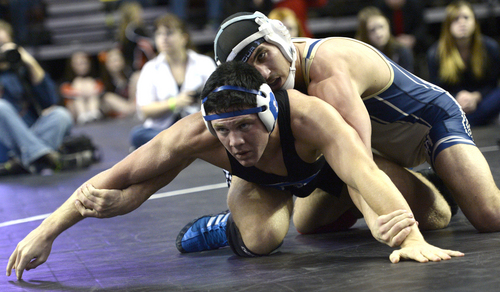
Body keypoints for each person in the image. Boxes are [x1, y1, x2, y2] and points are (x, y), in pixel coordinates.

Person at [6, 61, 464, 280]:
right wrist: (45, 233)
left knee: (438, 217)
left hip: (329, 171)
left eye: (245, 126)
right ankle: (226, 227)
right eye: (223, 131)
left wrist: (410, 239)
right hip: (261, 185)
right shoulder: (193, 135)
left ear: (268, 112)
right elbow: (108, 181)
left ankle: (405, 196)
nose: (235, 141)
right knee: (263, 241)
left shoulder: (310, 118)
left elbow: (363, 171)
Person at [175, 11, 500, 254]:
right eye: (250, 69)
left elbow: (361, 167)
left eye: (263, 55)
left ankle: (436, 182)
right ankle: (229, 225)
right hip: (366, 152)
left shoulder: (326, 73)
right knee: (307, 225)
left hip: (427, 126)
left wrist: (393, 233)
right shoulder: (269, 94)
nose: (262, 73)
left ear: (281, 40)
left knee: (488, 215)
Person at [129, 13, 216, 149]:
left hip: (196, 125)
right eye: (159, 34)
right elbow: (145, 110)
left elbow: (218, 99)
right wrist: (174, 103)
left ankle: (178, 147)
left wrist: (200, 100)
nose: (164, 38)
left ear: (184, 37)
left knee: (217, 127)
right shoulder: (151, 68)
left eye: (169, 33)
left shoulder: (204, 63)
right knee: (137, 135)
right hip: (164, 130)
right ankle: (189, 146)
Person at [0, 19, 73, 175]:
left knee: (61, 115)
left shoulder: (20, 70)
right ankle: (41, 157)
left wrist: (28, 61)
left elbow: (50, 99)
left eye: (4, 46)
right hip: (5, 143)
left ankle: (26, 161)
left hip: (33, 133)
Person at [427, 1, 500, 127]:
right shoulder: (435, 53)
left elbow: (492, 84)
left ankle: (463, 123)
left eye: (466, 17)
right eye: (456, 19)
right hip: (453, 104)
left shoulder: (490, 47)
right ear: (448, 25)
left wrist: (475, 96)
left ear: (475, 22)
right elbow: (437, 91)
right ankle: (471, 120)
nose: (462, 22)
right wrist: (457, 98)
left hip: (482, 101)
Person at [355, 6, 414, 73]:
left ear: (388, 25)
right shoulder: (359, 56)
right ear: (364, 33)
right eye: (372, 30)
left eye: (381, 27)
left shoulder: (402, 51)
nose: (378, 34)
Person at [59, 51, 104, 124]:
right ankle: (82, 115)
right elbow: (64, 91)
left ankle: (94, 113)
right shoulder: (68, 80)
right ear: (72, 65)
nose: (81, 67)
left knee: (88, 82)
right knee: (78, 82)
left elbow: (100, 89)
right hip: (75, 107)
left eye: (83, 63)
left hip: (91, 101)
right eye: (78, 64)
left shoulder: (94, 78)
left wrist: (89, 91)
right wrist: (79, 92)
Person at [98, 48, 138, 118]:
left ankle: (132, 109)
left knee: (136, 76)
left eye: (117, 60)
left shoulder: (129, 74)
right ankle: (130, 110)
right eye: (112, 61)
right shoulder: (104, 80)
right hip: (115, 108)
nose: (115, 64)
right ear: (106, 64)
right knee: (108, 97)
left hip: (132, 103)